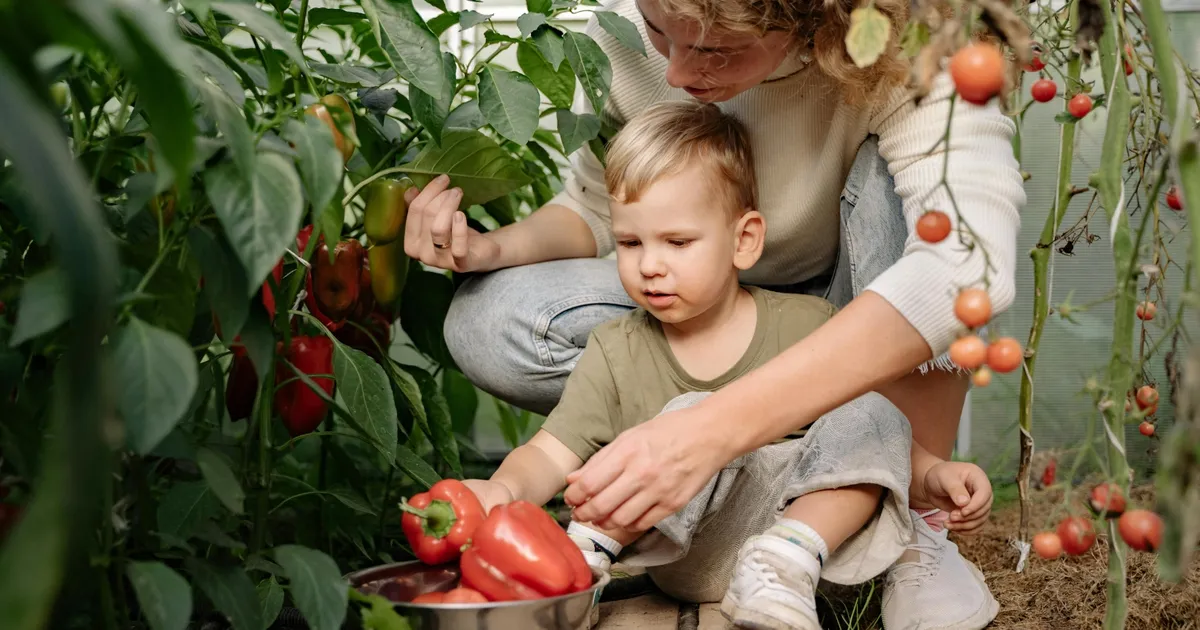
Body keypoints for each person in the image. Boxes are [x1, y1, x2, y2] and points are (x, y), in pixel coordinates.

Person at [402, 0, 1023, 627]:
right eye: (657, 31)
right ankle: (630, 522)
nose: (673, 72)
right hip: (701, 303)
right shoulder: (629, 37)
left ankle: (910, 530)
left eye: (715, 48)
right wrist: (489, 248)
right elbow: (597, 207)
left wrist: (710, 430)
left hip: (854, 302)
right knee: (487, 314)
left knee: (920, 212)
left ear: (811, 15)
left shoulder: (914, 47)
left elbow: (965, 264)